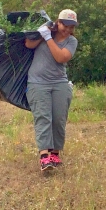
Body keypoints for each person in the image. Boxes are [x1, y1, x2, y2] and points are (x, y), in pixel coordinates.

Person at [25, 9, 79, 172]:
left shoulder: (71, 42)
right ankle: (44, 156)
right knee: (43, 117)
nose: (68, 29)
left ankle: (55, 153)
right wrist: (42, 33)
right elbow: (28, 44)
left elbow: (61, 57)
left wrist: (48, 38)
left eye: (72, 26)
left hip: (59, 83)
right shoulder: (46, 32)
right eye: (65, 25)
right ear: (58, 22)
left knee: (58, 118)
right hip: (37, 83)